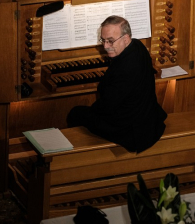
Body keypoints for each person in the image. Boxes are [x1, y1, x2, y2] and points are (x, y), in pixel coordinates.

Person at [67, 15, 167, 153]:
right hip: (149, 118)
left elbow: (107, 105)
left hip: (132, 130)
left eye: (110, 41)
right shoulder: (138, 45)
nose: (105, 46)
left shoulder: (127, 69)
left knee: (75, 114)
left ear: (125, 39)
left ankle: (81, 159)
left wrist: (92, 112)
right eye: (103, 40)